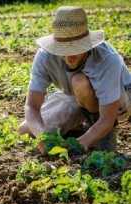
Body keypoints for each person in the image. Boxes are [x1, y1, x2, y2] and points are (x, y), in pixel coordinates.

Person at [17, 6, 131, 155]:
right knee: (25, 130)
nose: (68, 57)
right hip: (74, 95)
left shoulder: (107, 59)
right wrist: (42, 135)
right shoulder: (45, 57)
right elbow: (31, 106)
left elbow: (108, 117)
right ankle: (78, 128)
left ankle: (97, 132)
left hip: (118, 100)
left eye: (75, 50)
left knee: (80, 81)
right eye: (62, 50)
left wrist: (79, 144)